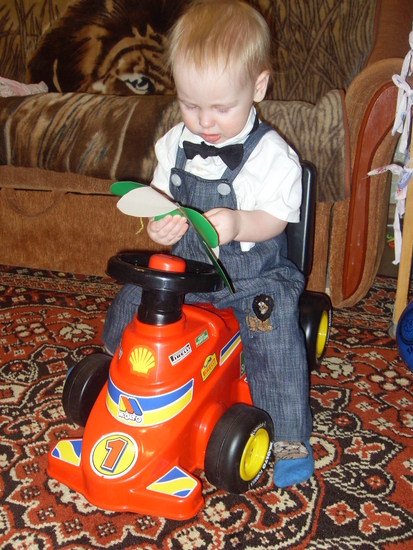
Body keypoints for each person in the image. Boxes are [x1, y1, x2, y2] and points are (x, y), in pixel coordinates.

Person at [102, 0, 313, 489]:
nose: (205, 122)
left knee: (271, 327)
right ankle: (117, 381)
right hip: (188, 270)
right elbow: (160, 201)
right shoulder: (174, 143)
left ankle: (289, 438)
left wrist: (239, 223)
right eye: (190, 105)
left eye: (221, 108)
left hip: (251, 276)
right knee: (135, 297)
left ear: (257, 87)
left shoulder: (272, 157)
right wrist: (159, 227)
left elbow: (276, 219)